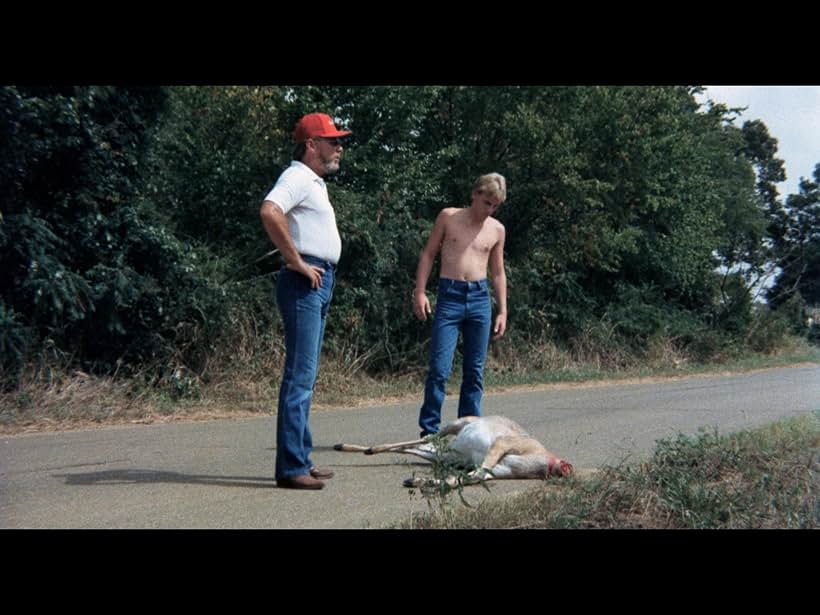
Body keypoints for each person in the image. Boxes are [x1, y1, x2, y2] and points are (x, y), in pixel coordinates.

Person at [259, 112, 351, 490]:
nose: (339, 147)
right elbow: (270, 210)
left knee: (306, 377)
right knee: (300, 376)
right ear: (312, 145)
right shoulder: (297, 175)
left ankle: (301, 458)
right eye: (332, 141)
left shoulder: (313, 182)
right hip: (304, 281)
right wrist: (295, 260)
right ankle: (291, 467)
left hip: (318, 280)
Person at [413, 173, 508, 438]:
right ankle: (430, 432)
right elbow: (429, 253)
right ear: (475, 193)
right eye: (486, 202)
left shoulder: (497, 229)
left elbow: (498, 272)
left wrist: (503, 310)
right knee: (439, 369)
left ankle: (469, 433)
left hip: (479, 299)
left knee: (474, 372)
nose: (488, 210)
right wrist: (420, 292)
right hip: (450, 296)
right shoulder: (449, 217)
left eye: (494, 206)